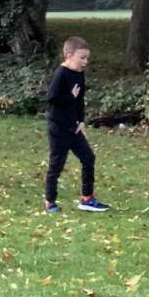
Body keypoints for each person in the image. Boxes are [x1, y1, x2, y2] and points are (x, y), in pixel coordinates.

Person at [44, 36, 110, 213]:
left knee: (88, 158)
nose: (85, 62)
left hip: (73, 127)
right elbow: (51, 98)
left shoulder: (79, 74)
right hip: (58, 127)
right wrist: (70, 97)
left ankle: (87, 198)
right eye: (82, 58)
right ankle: (50, 202)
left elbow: (80, 100)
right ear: (69, 56)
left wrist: (81, 121)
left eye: (87, 58)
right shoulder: (61, 73)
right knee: (56, 164)